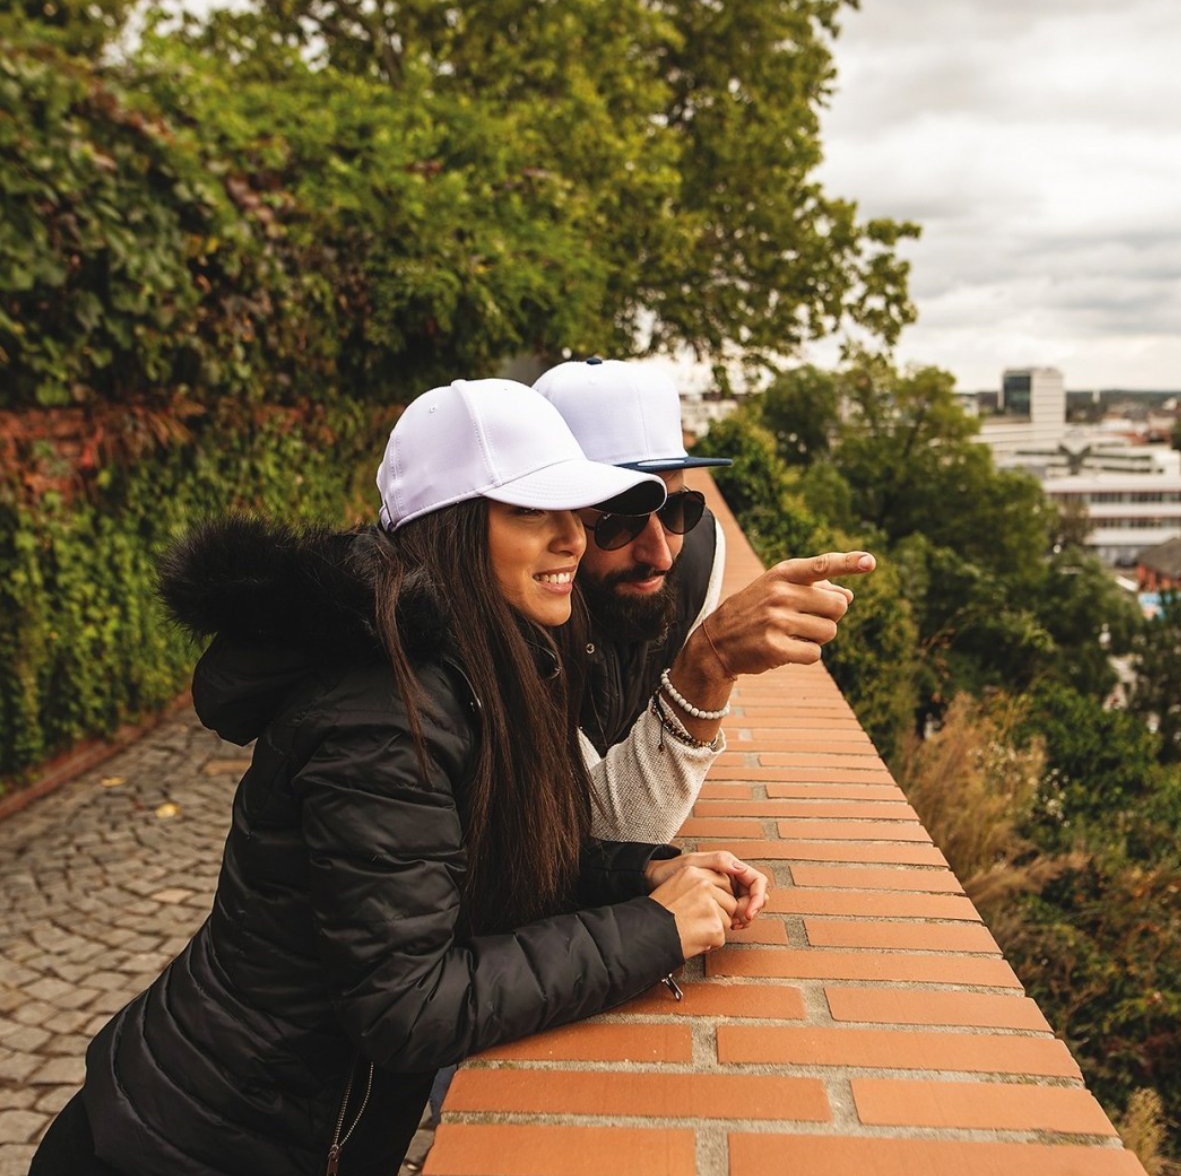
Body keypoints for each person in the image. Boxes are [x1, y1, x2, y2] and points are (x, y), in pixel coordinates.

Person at [30, 378, 767, 1176]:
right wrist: (655, 931)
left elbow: (464, 859)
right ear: (453, 529)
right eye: (532, 511)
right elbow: (409, 1006)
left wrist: (640, 873)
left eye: (575, 510)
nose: (572, 540)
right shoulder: (383, 711)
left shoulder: (473, 663)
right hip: (191, 1143)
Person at [535, 358, 876, 842]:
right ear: (547, 514)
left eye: (677, 508)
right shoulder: (514, 608)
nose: (660, 554)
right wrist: (706, 668)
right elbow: (597, 830)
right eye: (620, 520)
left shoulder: (698, 555)